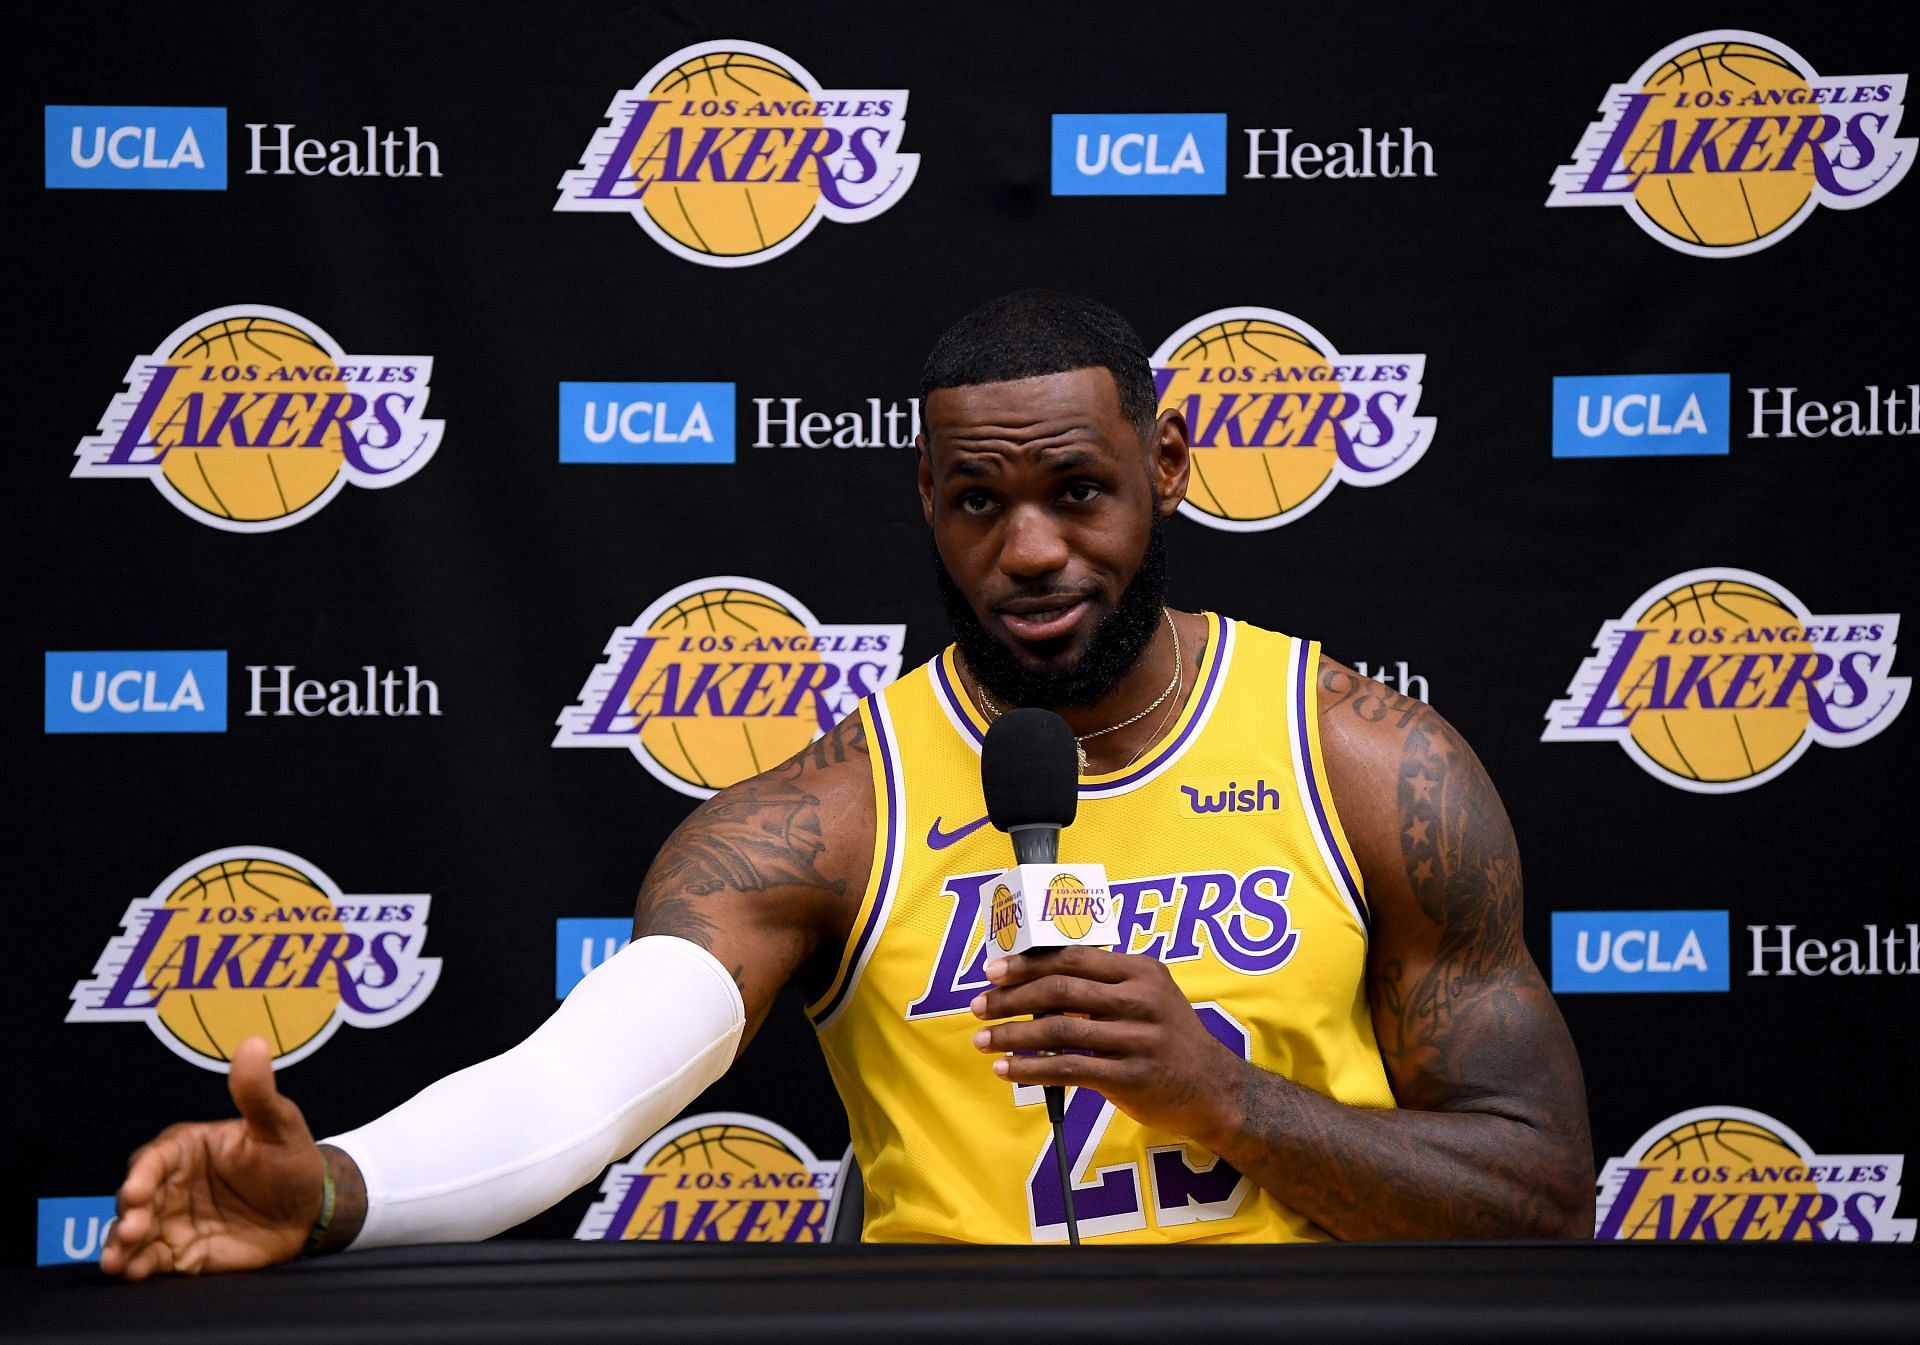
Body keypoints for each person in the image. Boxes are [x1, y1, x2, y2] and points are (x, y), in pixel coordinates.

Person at [103, 291, 1592, 1275]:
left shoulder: (1368, 761)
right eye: (976, 502)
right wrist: (338, 1190)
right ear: (927, 507)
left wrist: (1228, 1096)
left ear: (1173, 467)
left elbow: (1539, 1198)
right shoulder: (828, 813)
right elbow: (575, 1087)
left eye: (1077, 489)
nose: (1028, 553)